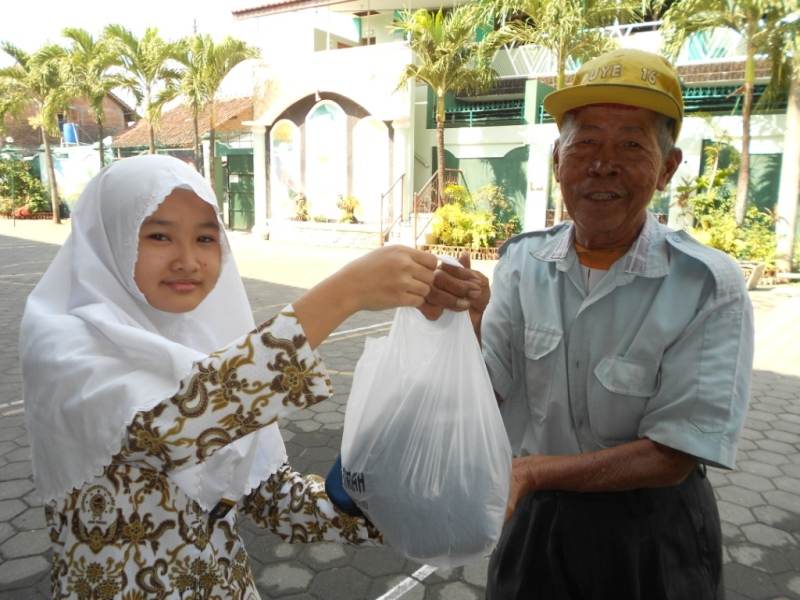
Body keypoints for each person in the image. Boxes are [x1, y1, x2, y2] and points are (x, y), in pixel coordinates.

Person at [19, 154, 437, 599]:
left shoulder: (205, 347)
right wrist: (346, 293)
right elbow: (170, 428)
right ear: (108, 237)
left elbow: (277, 501)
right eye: (159, 235)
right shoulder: (64, 341)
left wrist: (417, 503)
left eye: (205, 237)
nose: (188, 260)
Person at [422, 48, 753, 599]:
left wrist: (531, 474)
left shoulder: (707, 284)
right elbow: (492, 386)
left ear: (667, 168)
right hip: (533, 518)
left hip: (652, 532)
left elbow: (675, 452)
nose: (603, 165)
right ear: (558, 160)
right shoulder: (523, 263)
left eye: (630, 144)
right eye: (586, 144)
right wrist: (459, 324)